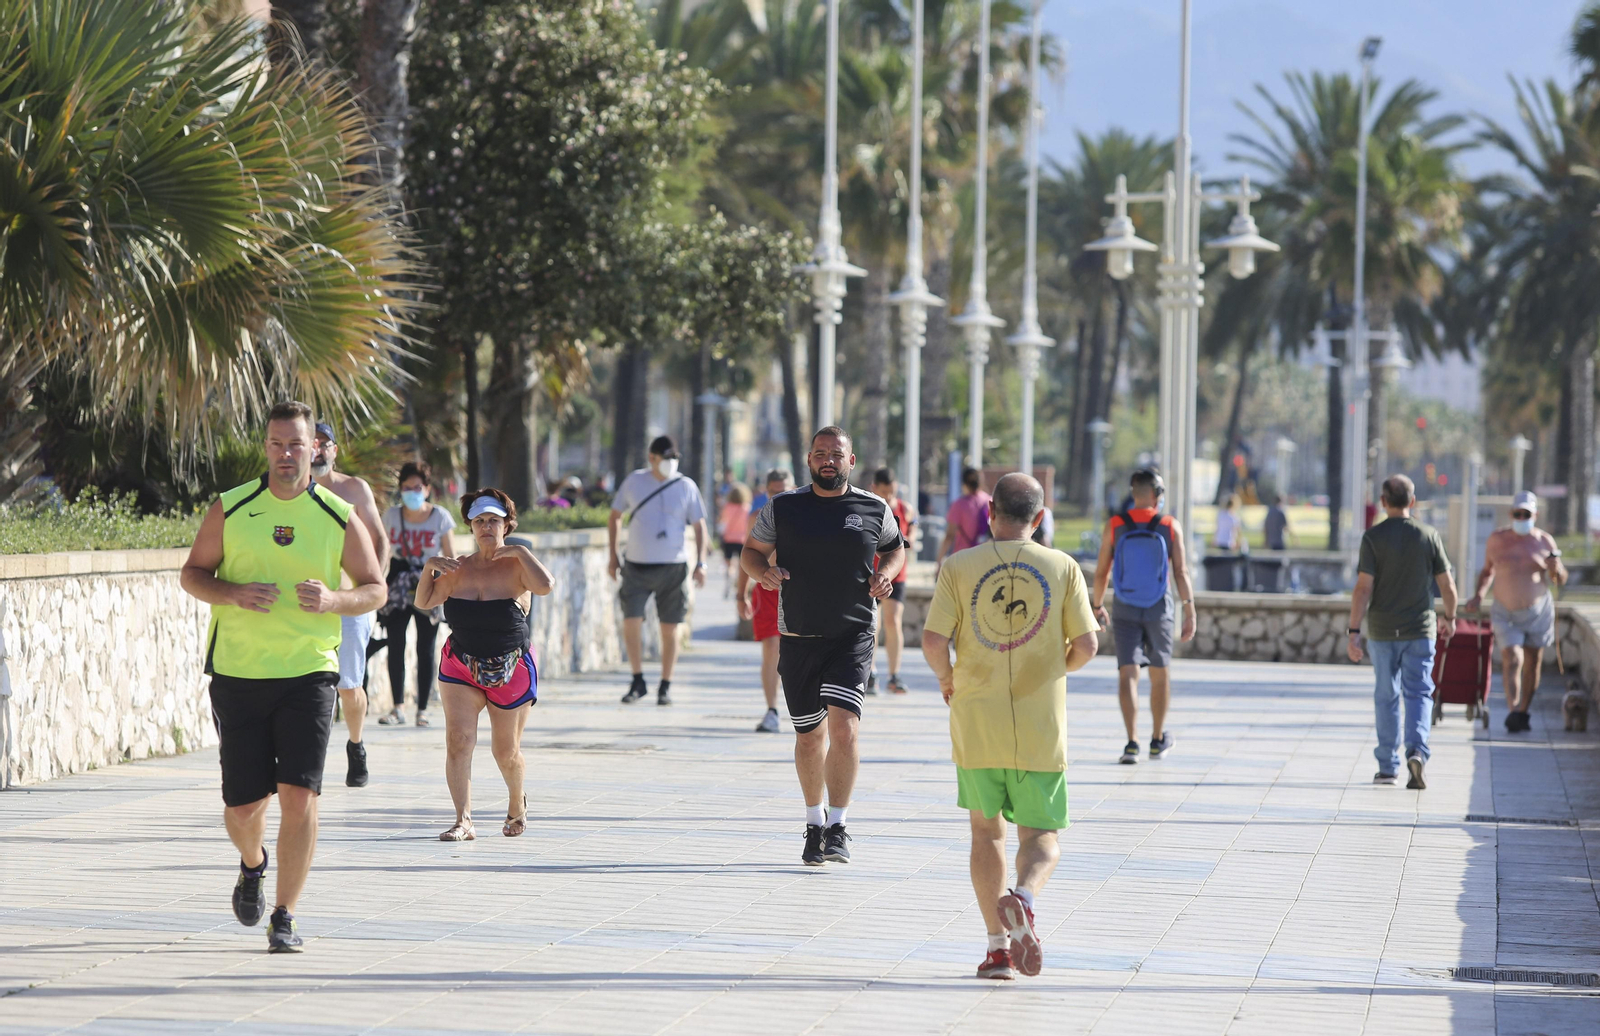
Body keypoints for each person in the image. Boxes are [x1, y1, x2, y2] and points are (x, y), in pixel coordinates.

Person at [179, 401, 385, 952]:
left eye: (297, 444)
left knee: (299, 798)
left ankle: (285, 916)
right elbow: (192, 574)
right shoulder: (232, 507)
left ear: (314, 448)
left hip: (309, 673)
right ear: (265, 446)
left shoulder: (338, 515)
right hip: (239, 673)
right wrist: (232, 593)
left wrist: (337, 599)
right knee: (243, 809)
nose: (287, 454)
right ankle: (253, 863)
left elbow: (375, 587)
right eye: (277, 444)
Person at [922, 474, 1099, 980]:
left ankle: (998, 950)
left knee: (986, 835)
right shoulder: (1063, 567)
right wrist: (1053, 670)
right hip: (1040, 723)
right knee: (1041, 839)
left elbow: (934, 641)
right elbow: (1086, 646)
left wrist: (947, 679)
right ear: (1039, 518)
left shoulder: (959, 566)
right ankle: (1023, 896)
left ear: (990, 513)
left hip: (976, 719)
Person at [742, 426, 905, 865]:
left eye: (836, 453)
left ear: (852, 461)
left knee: (845, 730)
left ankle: (838, 826)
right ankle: (814, 823)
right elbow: (751, 552)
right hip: (797, 636)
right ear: (809, 460)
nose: (827, 460)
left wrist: (887, 572)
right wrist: (763, 573)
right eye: (820, 454)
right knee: (810, 739)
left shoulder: (874, 507)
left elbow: (895, 549)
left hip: (853, 635)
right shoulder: (783, 507)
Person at [415, 489, 554, 841]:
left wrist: (521, 551)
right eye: (479, 521)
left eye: (494, 520)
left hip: (512, 667)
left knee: (505, 751)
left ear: (507, 524)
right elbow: (425, 600)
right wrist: (429, 567)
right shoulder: (457, 567)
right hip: (461, 665)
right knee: (458, 740)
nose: (486, 527)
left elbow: (547, 586)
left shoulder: (519, 566)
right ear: (471, 527)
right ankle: (464, 820)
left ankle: (516, 802)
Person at [1347, 475, 1458, 789]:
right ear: (1413, 501)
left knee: (1386, 696)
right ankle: (1417, 752)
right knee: (1419, 693)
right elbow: (1447, 586)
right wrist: (1450, 616)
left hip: (1382, 631)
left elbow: (1361, 589)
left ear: (1383, 502)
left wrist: (1354, 631)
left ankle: (1386, 768)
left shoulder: (1373, 538)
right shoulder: (1428, 535)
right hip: (1420, 631)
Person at [1090, 470, 1196, 765]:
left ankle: (1131, 742)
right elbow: (1180, 572)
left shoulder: (1115, 525)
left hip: (1124, 605)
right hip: (1159, 608)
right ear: (1155, 495)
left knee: (1128, 672)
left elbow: (1102, 572)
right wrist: (1189, 609)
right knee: (1160, 672)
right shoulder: (1169, 525)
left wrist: (1097, 606)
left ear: (1134, 492)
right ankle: (1157, 738)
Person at [307, 422, 389, 788]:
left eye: (325, 444)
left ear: (335, 450)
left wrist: (374, 590)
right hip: (305, 604)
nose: (319, 450)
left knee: (348, 685)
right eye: (313, 443)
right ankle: (309, 760)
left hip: (351, 603)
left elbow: (381, 541)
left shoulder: (354, 489)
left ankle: (356, 745)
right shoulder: (291, 491)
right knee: (309, 684)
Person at [608, 435, 709, 705]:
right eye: (665, 458)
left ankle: (665, 684)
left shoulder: (686, 485)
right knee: (631, 621)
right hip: (636, 565)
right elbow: (615, 516)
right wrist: (612, 556)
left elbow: (700, 526)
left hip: (673, 567)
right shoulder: (634, 481)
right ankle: (637, 679)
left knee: (670, 628)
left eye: (674, 458)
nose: (670, 463)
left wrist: (701, 563)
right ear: (652, 458)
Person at [1466, 490, 1566, 733]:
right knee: (1513, 658)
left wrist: (1556, 568)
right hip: (1505, 612)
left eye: (1526, 514)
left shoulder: (1544, 541)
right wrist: (1479, 594)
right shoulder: (1497, 540)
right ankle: (1513, 711)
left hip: (1537, 612)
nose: (1522, 518)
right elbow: (1487, 571)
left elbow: (1559, 579)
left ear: (1535, 515)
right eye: (1517, 513)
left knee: (1532, 662)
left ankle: (1523, 711)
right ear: (1511, 514)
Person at [379, 462, 456, 728]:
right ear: (400, 490)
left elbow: (451, 556)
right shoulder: (391, 516)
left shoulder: (440, 517)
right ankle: (398, 707)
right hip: (399, 586)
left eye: (417, 487)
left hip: (429, 586)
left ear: (427, 489)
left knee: (426, 647)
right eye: (407, 488)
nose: (412, 492)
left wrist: (449, 591)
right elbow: (382, 550)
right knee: (395, 644)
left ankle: (422, 709)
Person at [738, 470, 796, 733]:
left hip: (798, 590)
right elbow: (747, 556)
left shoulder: (804, 514)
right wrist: (741, 594)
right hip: (766, 589)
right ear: (766, 491)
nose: (778, 495)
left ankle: (805, 710)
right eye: (774, 491)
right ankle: (772, 710)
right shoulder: (757, 517)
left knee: (797, 652)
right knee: (771, 648)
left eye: (784, 490)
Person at [869, 467, 916, 694]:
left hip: (898, 574)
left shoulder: (904, 510)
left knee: (893, 620)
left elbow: (913, 538)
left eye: (892, 492)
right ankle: (871, 672)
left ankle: (894, 675)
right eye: (884, 492)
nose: (888, 496)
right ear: (874, 488)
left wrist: (906, 539)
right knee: (873, 624)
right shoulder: (869, 508)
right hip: (872, 574)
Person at [938, 467, 991, 567]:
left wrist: (939, 560)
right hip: (986, 558)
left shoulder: (959, 505)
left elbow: (950, 535)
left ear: (964, 484)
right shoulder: (990, 502)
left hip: (963, 558)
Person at [719, 482, 752, 595]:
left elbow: (722, 521)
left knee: (728, 563)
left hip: (728, 539)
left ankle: (729, 577)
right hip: (741, 540)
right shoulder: (746, 508)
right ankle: (738, 582)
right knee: (741, 564)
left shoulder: (727, 507)